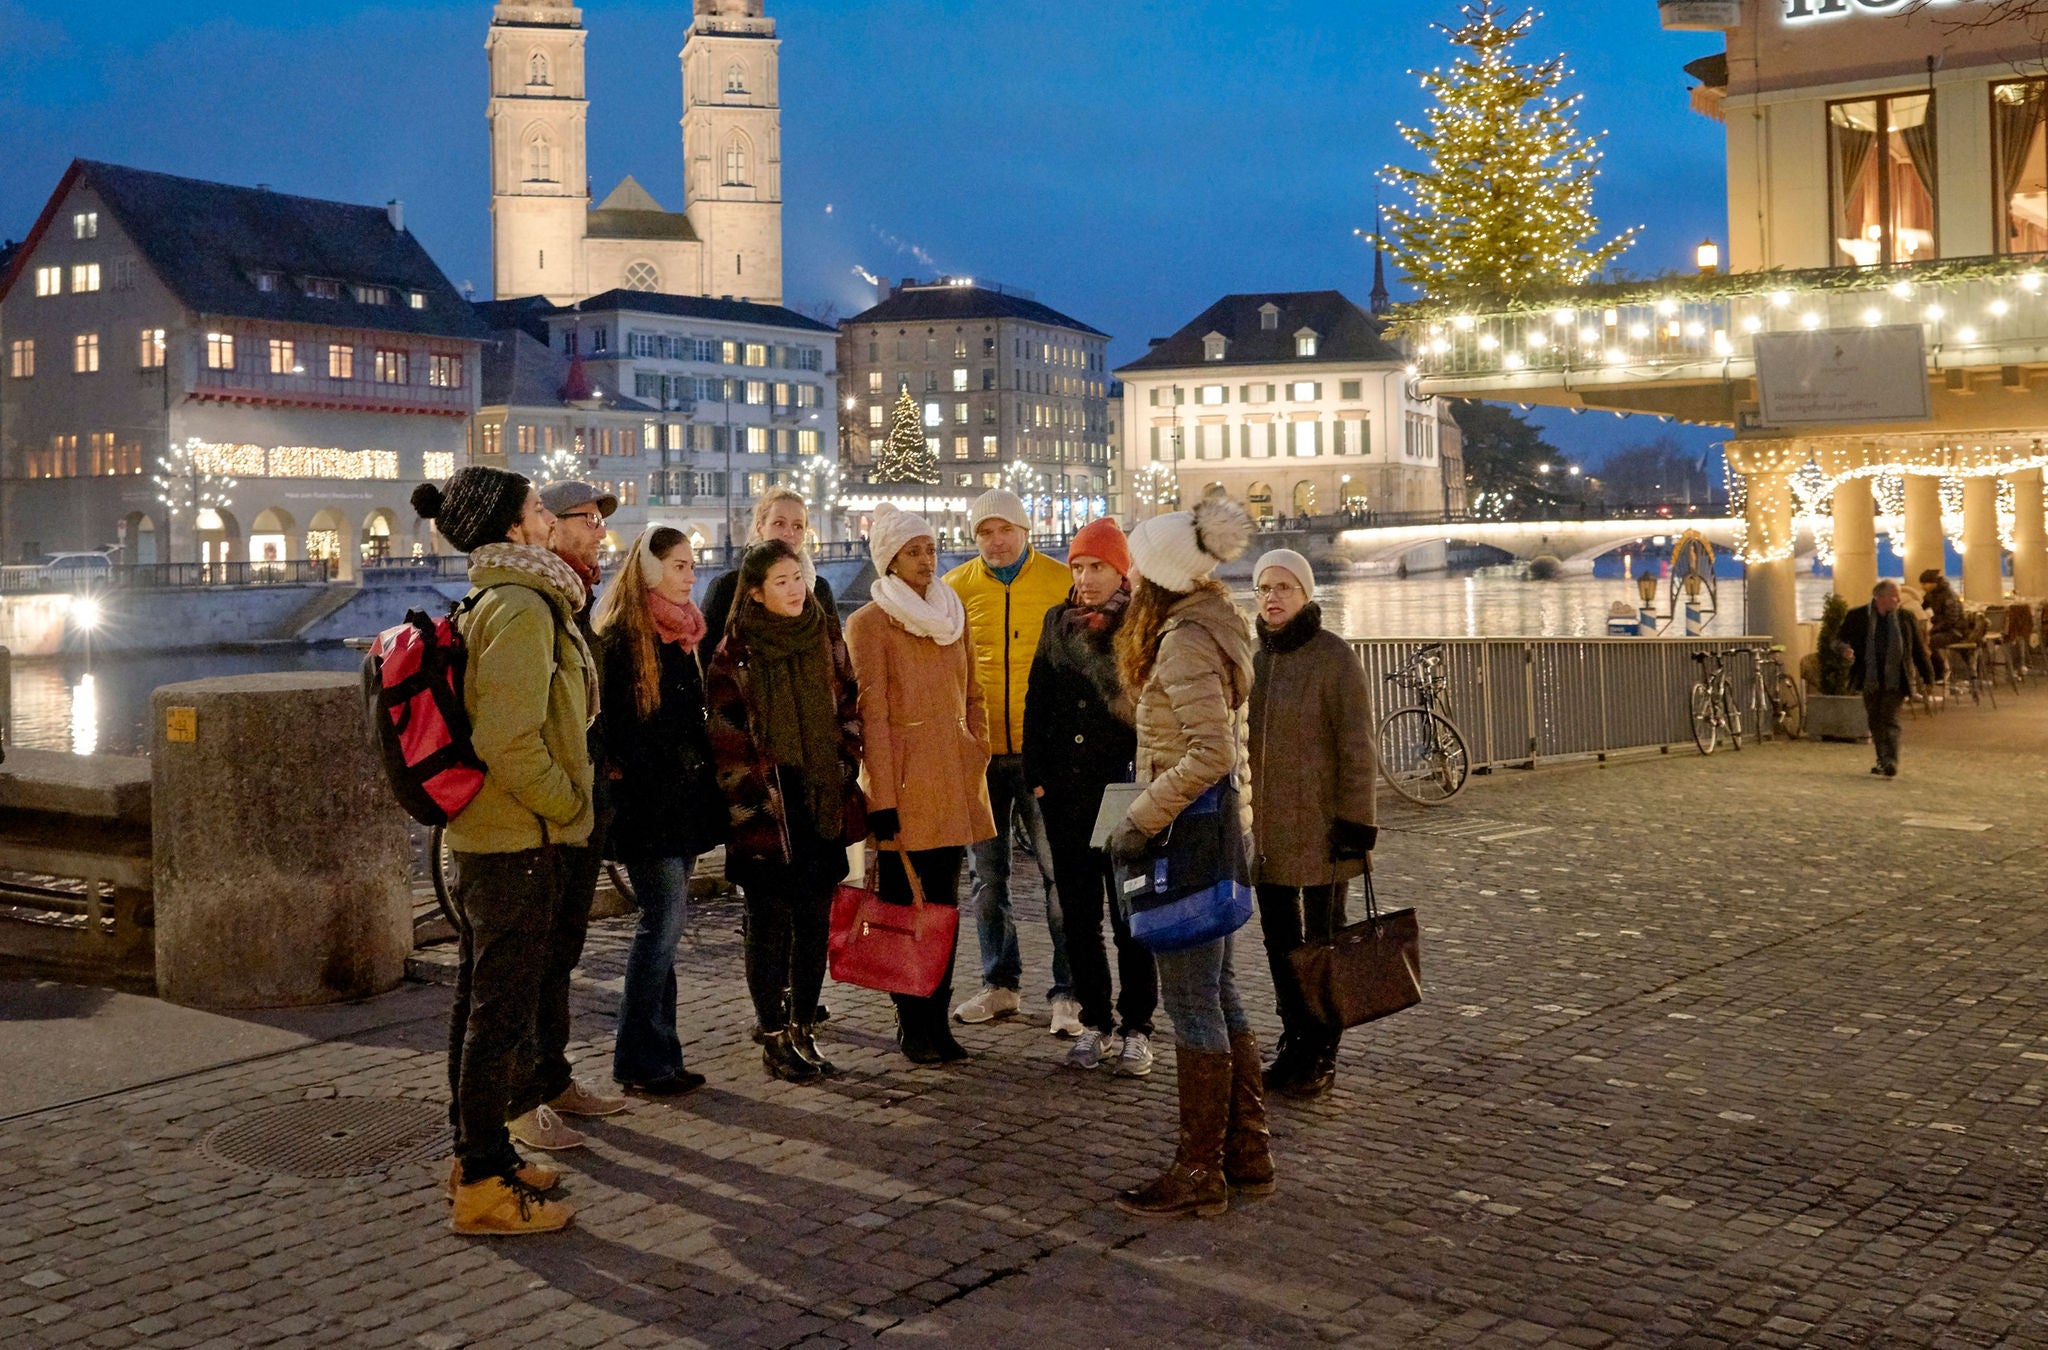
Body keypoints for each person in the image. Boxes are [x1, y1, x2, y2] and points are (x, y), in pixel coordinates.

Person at [412, 466, 589, 1236]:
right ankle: (483, 1185)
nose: (549, 517)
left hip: (494, 836)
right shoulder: (520, 606)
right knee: (498, 1016)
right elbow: (509, 739)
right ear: (515, 529)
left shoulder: (499, 596)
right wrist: (569, 802)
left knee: (479, 1005)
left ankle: (476, 1151)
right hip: (516, 837)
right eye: (540, 508)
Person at [1106, 497, 1272, 1219]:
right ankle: (1247, 1150)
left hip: (1185, 839)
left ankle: (1200, 1167)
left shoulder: (1182, 641)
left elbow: (1210, 751)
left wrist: (1138, 817)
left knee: (1192, 1000)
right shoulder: (1212, 626)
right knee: (1221, 990)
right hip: (1214, 834)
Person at [494, 480, 629, 1153]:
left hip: (583, 802)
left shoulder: (575, 595)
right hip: (552, 811)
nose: (600, 529)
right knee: (531, 958)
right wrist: (568, 796)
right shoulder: (537, 601)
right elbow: (515, 727)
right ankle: (521, 1098)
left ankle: (552, 1077)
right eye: (587, 518)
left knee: (562, 951)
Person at [705, 539, 865, 1081]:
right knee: (769, 922)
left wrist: (844, 766)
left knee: (815, 921)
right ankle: (772, 1034)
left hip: (819, 797)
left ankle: (803, 1028)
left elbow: (848, 703)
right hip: (767, 809)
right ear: (755, 591)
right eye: (781, 581)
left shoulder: (824, 633)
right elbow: (725, 740)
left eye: (798, 577)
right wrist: (750, 804)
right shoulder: (734, 654)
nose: (796, 589)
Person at [845, 504, 995, 1064]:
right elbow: (871, 716)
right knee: (906, 910)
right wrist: (880, 798)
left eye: (931, 549)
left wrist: (976, 745)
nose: (927, 560)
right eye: (913, 551)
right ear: (890, 559)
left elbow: (975, 693)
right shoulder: (869, 624)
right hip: (905, 789)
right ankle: (912, 1023)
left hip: (954, 780)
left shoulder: (954, 614)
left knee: (945, 907)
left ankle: (938, 1018)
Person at [1022, 516, 1157, 1076]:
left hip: (1122, 788)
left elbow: (1152, 710)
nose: (1086, 577)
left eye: (1097, 566)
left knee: (1131, 915)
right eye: (1078, 566)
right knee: (1079, 915)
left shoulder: (1141, 625)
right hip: (1066, 792)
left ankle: (1138, 1027)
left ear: (1121, 569)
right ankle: (1096, 1022)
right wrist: (1038, 776)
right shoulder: (1058, 622)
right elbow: (1039, 699)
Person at [942, 489, 1079, 1033]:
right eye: (984, 532)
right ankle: (1001, 984)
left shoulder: (1059, 582)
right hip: (982, 755)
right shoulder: (955, 589)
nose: (996, 541)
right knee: (987, 880)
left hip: (1044, 756)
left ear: (1025, 531)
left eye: (1005, 530)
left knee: (1059, 876)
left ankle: (1069, 990)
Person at [591, 524, 720, 1096]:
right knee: (660, 927)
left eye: (693, 565)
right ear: (649, 570)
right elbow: (621, 731)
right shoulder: (623, 638)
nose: (690, 575)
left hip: (681, 804)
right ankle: (637, 1055)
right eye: (678, 566)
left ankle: (660, 1051)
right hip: (647, 808)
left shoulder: (685, 633)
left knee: (665, 930)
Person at [1246, 549, 1378, 1100]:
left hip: (1325, 828)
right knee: (1280, 943)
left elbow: (1357, 746)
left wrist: (1355, 821)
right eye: (1263, 589)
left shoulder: (1334, 657)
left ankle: (1323, 1050)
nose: (1272, 598)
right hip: (1270, 831)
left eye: (1284, 587)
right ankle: (1293, 1038)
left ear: (1306, 595)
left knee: (1324, 946)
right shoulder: (1253, 658)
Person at [702, 486, 836, 642]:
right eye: (779, 523)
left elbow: (837, 653)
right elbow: (709, 657)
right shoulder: (727, 587)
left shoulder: (820, 590)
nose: (789, 533)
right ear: (760, 528)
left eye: (798, 526)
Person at [1836, 578, 1934, 778]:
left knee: (1889, 718)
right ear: (1879, 597)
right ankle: (1882, 759)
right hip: (1868, 677)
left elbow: (1917, 649)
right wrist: (1844, 649)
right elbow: (1838, 640)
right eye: (1894, 596)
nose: (1898, 600)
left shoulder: (1906, 618)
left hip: (1896, 679)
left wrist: (1928, 675)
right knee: (1874, 719)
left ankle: (1890, 761)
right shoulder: (1857, 616)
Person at [1919, 568, 1966, 681]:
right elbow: (1921, 607)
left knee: (1928, 642)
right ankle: (1933, 672)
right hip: (1943, 629)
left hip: (1955, 631)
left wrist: (1933, 630)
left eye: (1925, 583)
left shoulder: (1948, 595)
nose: (1923, 587)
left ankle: (1939, 671)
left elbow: (1951, 620)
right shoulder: (1931, 594)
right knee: (1922, 641)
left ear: (1933, 583)